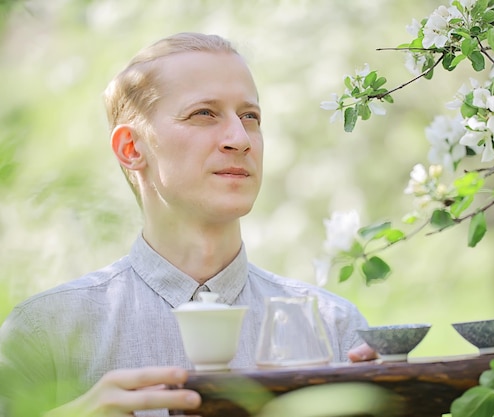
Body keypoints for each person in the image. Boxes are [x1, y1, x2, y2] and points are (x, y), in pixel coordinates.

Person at [0, 32, 376, 417]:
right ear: (132, 149)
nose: (240, 138)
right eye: (204, 114)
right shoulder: (42, 333)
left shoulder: (336, 331)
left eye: (250, 116)